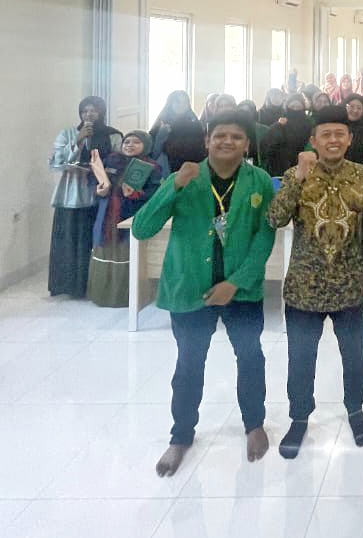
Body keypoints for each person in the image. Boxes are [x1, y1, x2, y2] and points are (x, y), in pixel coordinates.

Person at [133, 110, 276, 477]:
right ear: (207, 141)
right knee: (189, 363)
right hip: (190, 288)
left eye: (237, 137)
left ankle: (254, 424)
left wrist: (236, 282)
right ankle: (180, 436)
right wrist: (174, 187)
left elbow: (265, 236)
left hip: (241, 290)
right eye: (220, 135)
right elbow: (142, 228)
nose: (228, 142)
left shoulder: (259, 180)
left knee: (250, 356)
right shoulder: (185, 176)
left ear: (247, 144)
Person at [268, 105, 363, 458]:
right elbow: (275, 218)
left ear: (349, 139)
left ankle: (355, 410)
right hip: (304, 285)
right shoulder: (296, 174)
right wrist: (299, 178)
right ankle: (299, 417)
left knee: (355, 354)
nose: (333, 140)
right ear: (314, 140)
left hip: (349, 283)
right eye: (326, 135)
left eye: (339, 134)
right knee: (301, 356)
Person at [48, 96, 123, 297]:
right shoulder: (67, 134)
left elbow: (120, 161)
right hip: (72, 193)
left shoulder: (113, 135)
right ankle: (69, 285)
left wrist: (102, 171)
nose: (89, 115)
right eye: (85, 111)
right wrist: (78, 140)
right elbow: (56, 162)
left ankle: (94, 284)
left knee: (94, 238)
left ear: (101, 112)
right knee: (71, 238)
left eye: (93, 111)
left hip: (100, 193)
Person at [88, 131, 163, 307]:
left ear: (146, 145)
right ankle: (103, 295)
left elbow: (155, 193)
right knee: (105, 248)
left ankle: (127, 296)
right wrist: (99, 190)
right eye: (126, 142)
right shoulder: (112, 160)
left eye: (136, 142)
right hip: (107, 214)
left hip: (131, 214)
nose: (130, 145)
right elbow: (96, 181)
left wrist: (137, 194)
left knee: (128, 250)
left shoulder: (152, 167)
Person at [149, 90, 207, 176]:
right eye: (177, 102)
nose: (181, 105)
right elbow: (152, 151)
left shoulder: (194, 123)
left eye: (185, 102)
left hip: (190, 167)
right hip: (165, 169)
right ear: (170, 103)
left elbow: (200, 148)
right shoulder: (162, 122)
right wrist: (161, 135)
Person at [261, 94, 313, 177]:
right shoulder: (279, 125)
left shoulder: (309, 124)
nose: (295, 109)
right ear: (287, 107)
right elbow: (267, 146)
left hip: (305, 170)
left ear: (303, 108)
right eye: (292, 107)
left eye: (298, 107)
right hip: (279, 171)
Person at [236, 100, 268, 169]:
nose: (245, 115)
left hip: (259, 167)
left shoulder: (264, 130)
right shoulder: (233, 130)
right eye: (242, 111)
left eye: (248, 111)